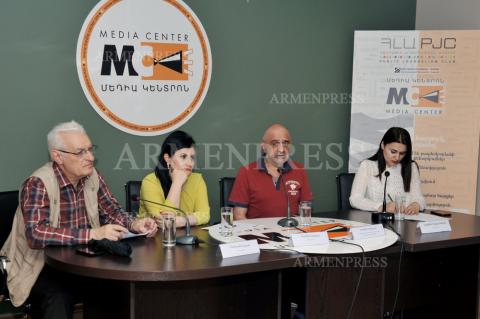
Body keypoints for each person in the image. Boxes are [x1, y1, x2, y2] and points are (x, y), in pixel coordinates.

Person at [0, 121, 157, 319]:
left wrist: (134, 224)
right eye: (81, 152)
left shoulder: (93, 176)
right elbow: (36, 234)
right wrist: (93, 233)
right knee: (59, 297)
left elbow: (112, 211)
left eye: (90, 150)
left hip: (84, 260)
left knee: (120, 288)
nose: (91, 157)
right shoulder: (38, 183)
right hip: (41, 265)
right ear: (58, 156)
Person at [229, 124, 313, 220]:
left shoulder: (299, 170)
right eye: (274, 143)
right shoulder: (246, 172)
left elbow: (306, 211)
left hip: (292, 231)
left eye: (285, 143)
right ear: (263, 147)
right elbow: (239, 215)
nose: (281, 149)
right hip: (258, 233)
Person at [138, 130, 210, 227]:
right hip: (153, 239)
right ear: (168, 158)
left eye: (192, 157)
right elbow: (165, 223)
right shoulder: (149, 182)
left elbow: (205, 214)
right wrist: (177, 183)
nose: (190, 163)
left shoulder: (197, 180)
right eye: (183, 156)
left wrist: (183, 221)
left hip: (187, 237)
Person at [349, 127, 426, 214]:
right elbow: (355, 199)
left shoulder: (411, 167)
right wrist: (381, 206)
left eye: (402, 153)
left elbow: (419, 198)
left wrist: (416, 205)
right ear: (383, 145)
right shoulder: (367, 165)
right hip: (375, 223)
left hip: (404, 222)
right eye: (393, 151)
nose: (397, 157)